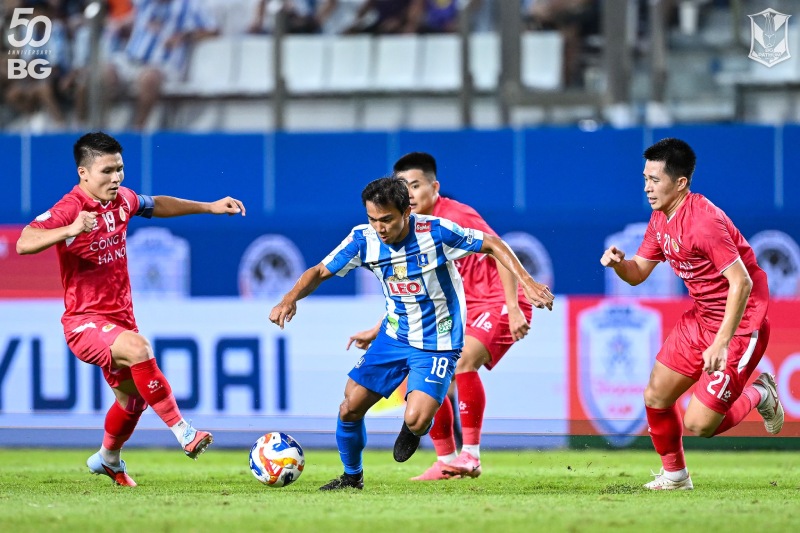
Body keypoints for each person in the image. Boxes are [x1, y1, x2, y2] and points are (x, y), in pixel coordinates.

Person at [269, 176, 553, 491]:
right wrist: (289, 298)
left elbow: (491, 243)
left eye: (387, 219)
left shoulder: (436, 233)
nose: (380, 227)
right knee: (349, 407)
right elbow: (320, 271)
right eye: (373, 219)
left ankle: (417, 426)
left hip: (438, 341)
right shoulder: (363, 239)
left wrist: (528, 282)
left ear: (407, 212)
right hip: (394, 336)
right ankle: (352, 477)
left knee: (417, 419)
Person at [15, 132, 246, 486]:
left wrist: (210, 206)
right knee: (140, 349)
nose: (116, 177)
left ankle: (108, 458)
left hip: (120, 318)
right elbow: (24, 242)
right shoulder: (71, 208)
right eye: (107, 171)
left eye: (120, 169)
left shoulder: (121, 200)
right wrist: (68, 229)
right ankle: (184, 432)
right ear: (84, 173)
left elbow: (155, 204)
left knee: (132, 401)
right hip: (83, 323)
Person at [600, 137, 784, 490]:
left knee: (699, 425)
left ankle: (761, 392)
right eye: (645, 178)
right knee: (655, 396)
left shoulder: (703, 221)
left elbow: (741, 283)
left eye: (655, 180)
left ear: (680, 182)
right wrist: (621, 265)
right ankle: (675, 476)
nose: (647, 188)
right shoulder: (660, 219)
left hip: (741, 323)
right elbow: (639, 272)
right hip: (702, 318)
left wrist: (722, 343)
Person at [347, 152, 534, 481]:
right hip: (464, 308)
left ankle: (470, 457)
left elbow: (499, 247)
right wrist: (379, 329)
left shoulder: (455, 215)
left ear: (435, 187)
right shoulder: (410, 233)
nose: (411, 194)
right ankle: (447, 461)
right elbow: (408, 295)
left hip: (499, 301)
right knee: (429, 382)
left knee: (463, 364)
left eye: (416, 185)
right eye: (404, 187)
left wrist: (515, 306)